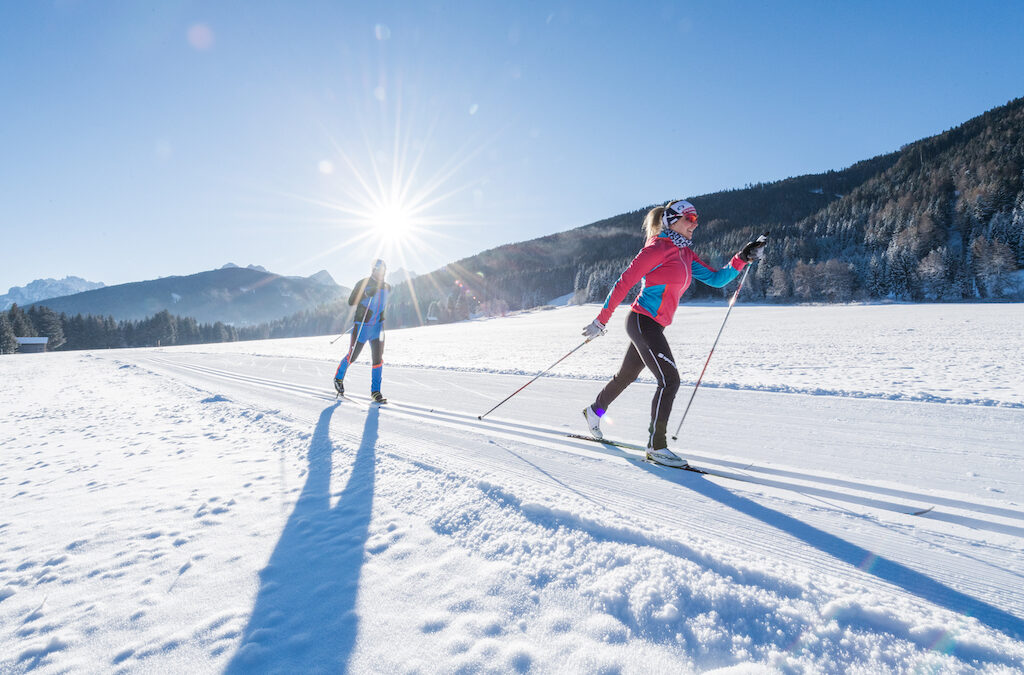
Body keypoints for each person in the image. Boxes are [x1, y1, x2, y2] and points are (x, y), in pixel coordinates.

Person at [580, 199, 765, 467]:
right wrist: (601, 321)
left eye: (696, 219)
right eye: (689, 218)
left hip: (653, 324)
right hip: (642, 321)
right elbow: (625, 282)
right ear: (671, 220)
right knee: (670, 380)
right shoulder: (657, 248)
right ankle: (657, 446)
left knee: (627, 376)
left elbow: (716, 279)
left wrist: (743, 257)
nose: (695, 224)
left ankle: (594, 411)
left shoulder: (685, 254)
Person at [334, 259, 391, 403]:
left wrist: (382, 315)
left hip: (377, 328)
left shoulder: (387, 287)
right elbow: (351, 301)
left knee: (378, 359)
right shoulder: (363, 283)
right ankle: (338, 378)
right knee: (353, 356)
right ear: (373, 270)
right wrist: (365, 294)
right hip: (362, 327)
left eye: (383, 270)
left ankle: (376, 392)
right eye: (378, 269)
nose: (381, 272)